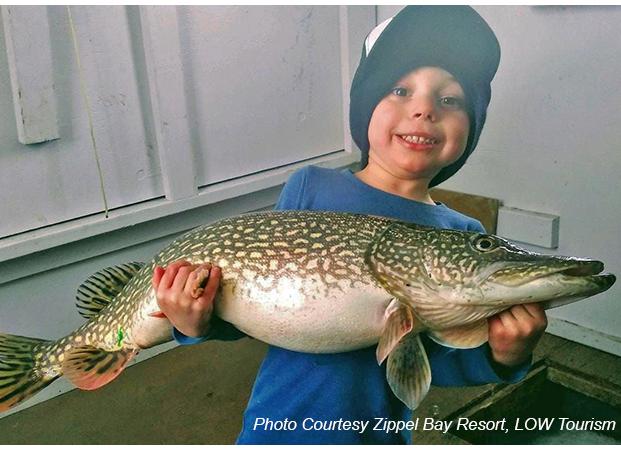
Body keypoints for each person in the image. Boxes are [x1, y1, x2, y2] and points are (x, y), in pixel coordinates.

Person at [152, 6, 547, 444]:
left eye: (450, 99)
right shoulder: (311, 187)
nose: (424, 110)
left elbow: (439, 362)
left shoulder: (465, 234)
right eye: (400, 89)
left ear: (471, 127)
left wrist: (506, 355)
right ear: (365, 109)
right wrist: (194, 324)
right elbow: (259, 303)